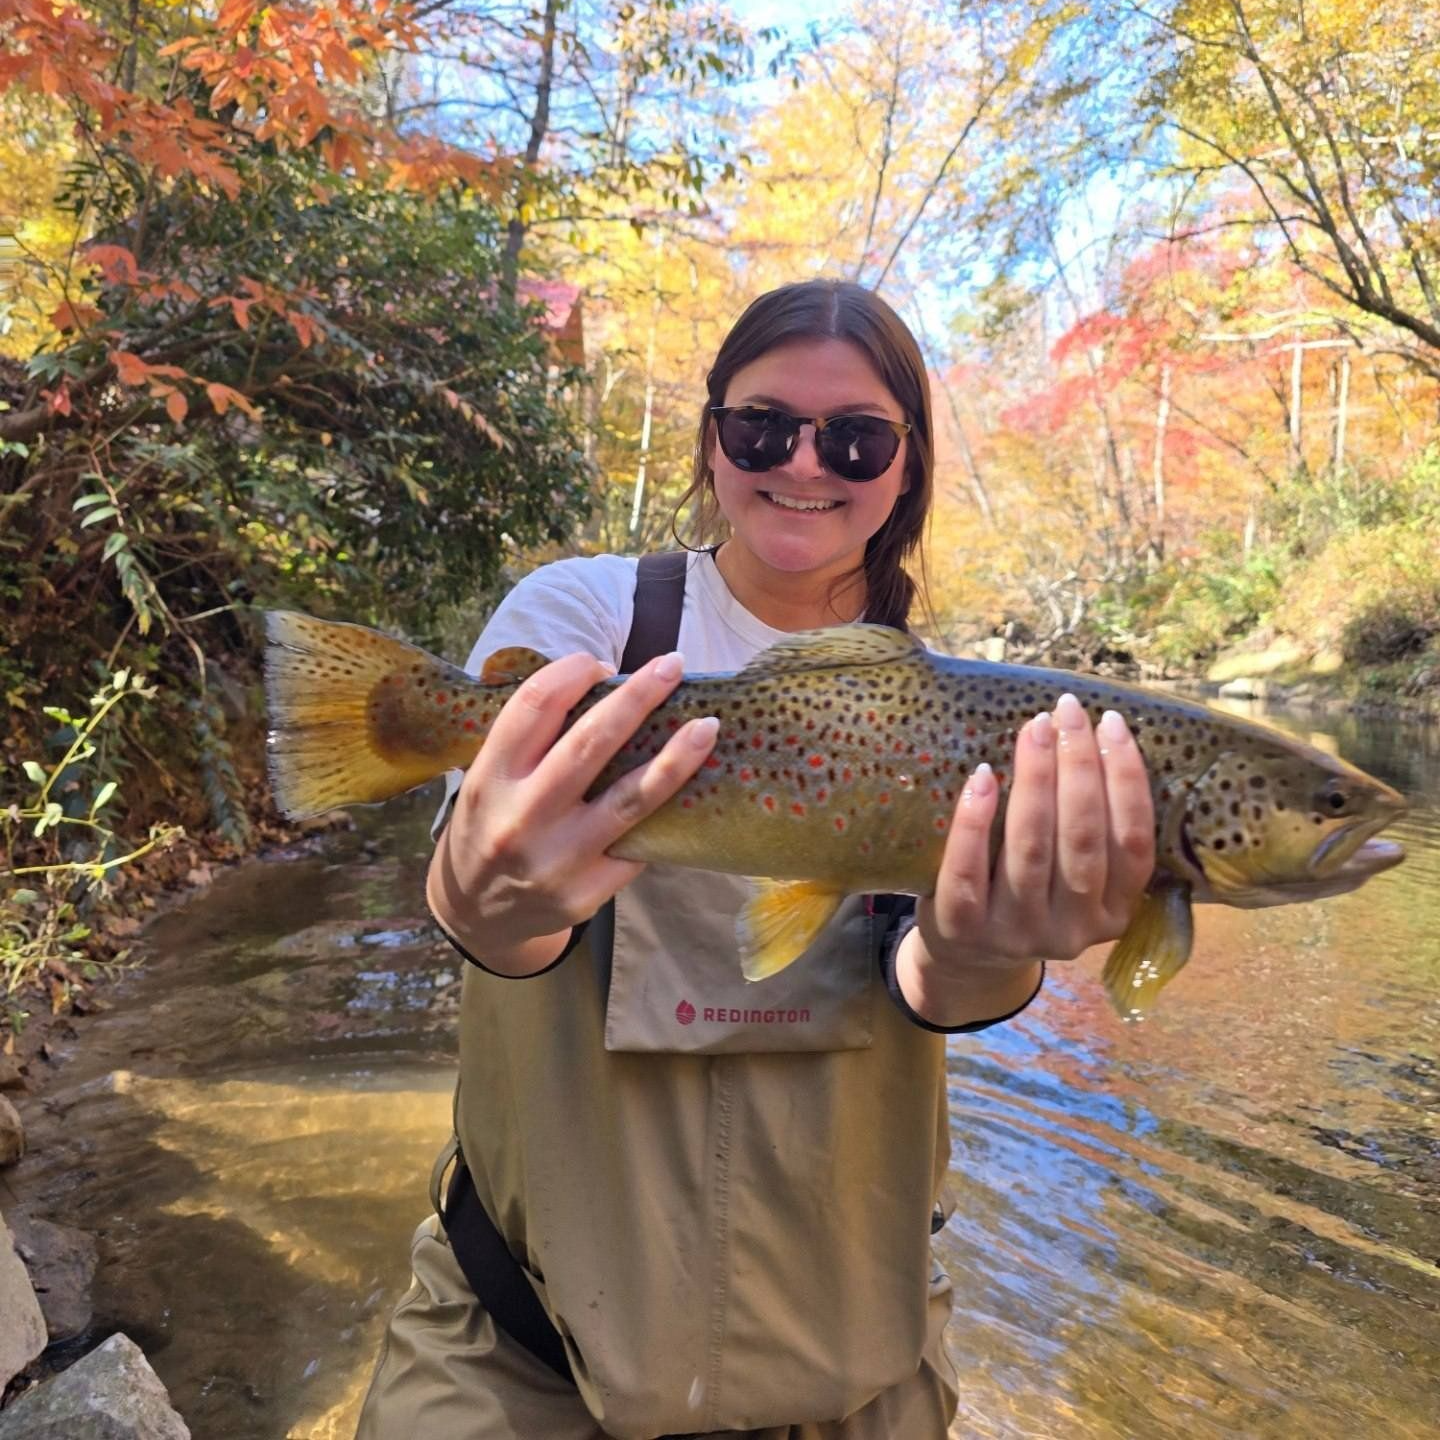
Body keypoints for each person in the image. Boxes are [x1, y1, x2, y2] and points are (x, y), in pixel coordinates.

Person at [354, 279, 1159, 1439]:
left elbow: (930, 984)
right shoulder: (586, 618)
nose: (806, 462)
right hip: (522, 1360)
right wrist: (474, 895)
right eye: (764, 426)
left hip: (852, 1365)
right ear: (714, 439)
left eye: (857, 438)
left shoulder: (971, 716)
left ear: (906, 467)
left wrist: (989, 948)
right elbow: (493, 910)